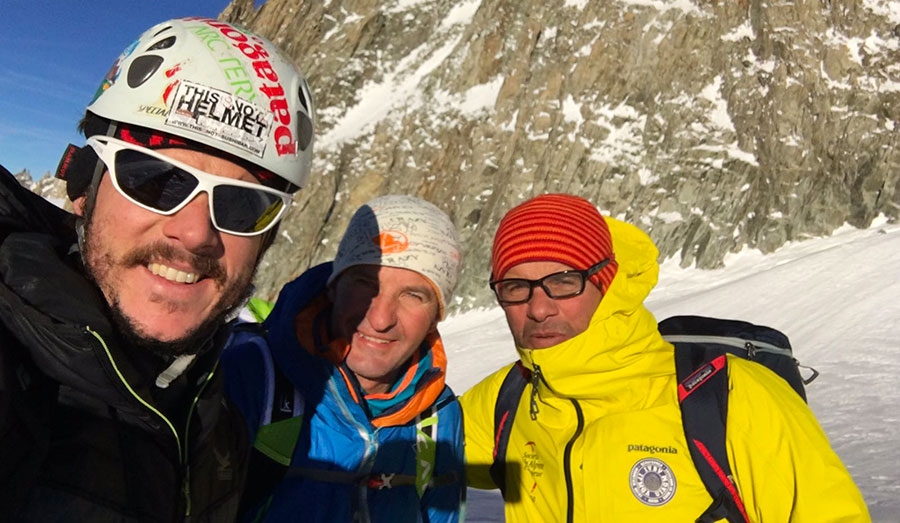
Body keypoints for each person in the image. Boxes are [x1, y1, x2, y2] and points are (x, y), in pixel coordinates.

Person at [0, 16, 316, 521]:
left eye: (241, 205)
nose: (195, 233)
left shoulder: (214, 417)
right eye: (153, 179)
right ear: (86, 187)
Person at [460, 193, 870, 522]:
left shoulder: (730, 395)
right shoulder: (508, 399)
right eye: (516, 286)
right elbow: (408, 445)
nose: (539, 308)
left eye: (564, 281)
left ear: (606, 283)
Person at [223, 194, 466, 522]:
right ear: (334, 287)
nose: (380, 318)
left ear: (436, 316)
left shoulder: (437, 417)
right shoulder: (250, 378)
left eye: (412, 295)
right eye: (365, 284)